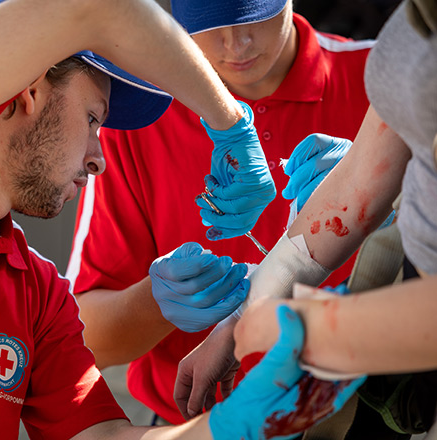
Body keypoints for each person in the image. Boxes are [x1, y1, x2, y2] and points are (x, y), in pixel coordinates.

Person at [0, 0, 359, 438]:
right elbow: (93, 7)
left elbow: (104, 436)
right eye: (92, 118)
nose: (100, 158)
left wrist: (234, 422)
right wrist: (230, 123)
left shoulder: (37, 296)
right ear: (27, 90)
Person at [66, 0, 372, 425]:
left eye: (252, 16)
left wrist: (384, 187)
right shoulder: (139, 116)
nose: (236, 44)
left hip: (362, 414)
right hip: (192, 419)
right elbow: (86, 340)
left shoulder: (383, 82)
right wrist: (157, 302)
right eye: (212, 25)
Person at [183, 0, 437, 436]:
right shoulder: (414, 22)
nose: (236, 44)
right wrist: (241, 316)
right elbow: (360, 178)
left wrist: (305, 330)